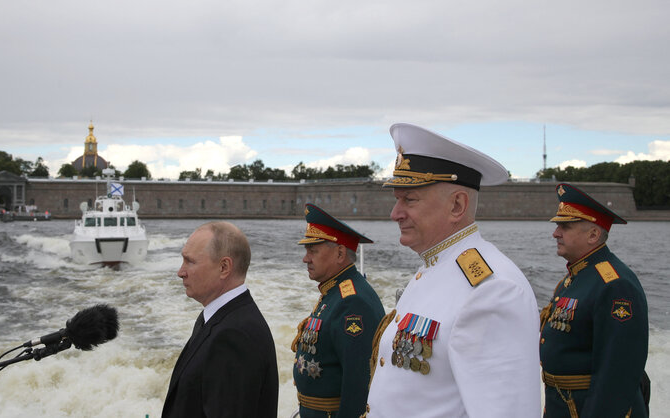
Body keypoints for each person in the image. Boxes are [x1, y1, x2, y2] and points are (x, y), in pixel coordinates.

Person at [364, 123, 540, 417]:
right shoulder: (434, 268)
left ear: (457, 205)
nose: (395, 213)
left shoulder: (493, 290)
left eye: (409, 199)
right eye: (397, 199)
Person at [539, 183, 649, 417]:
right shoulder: (574, 279)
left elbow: (617, 372)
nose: (555, 233)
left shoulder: (615, 284)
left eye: (565, 227)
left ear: (593, 235)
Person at [162, 221, 278, 418]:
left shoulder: (235, 335)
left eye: (190, 261)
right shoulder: (216, 318)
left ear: (224, 267)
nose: (180, 272)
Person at [291, 204, 385, 417]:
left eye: (313, 251)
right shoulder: (334, 292)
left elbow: (358, 386)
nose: (306, 258)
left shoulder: (353, 302)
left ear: (340, 253)